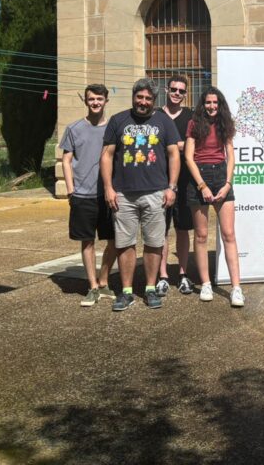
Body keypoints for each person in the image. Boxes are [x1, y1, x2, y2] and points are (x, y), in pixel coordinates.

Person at [100, 78, 181, 312]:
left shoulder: (164, 121)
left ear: (154, 100)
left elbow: (174, 154)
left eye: (148, 98)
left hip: (156, 193)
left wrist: (172, 187)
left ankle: (150, 288)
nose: (143, 102)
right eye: (139, 97)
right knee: (125, 244)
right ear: (133, 96)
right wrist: (108, 188)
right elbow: (107, 155)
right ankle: (126, 292)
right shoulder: (118, 120)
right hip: (123, 195)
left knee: (154, 243)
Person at [184, 86, 244, 307]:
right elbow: (188, 157)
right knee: (201, 235)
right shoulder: (194, 124)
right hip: (198, 177)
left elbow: (231, 156)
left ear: (220, 105)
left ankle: (236, 288)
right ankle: (206, 284)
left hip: (220, 175)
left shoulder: (225, 123)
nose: (211, 106)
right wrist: (202, 186)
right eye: (208, 102)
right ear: (203, 104)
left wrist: (227, 184)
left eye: (215, 103)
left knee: (229, 234)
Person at [60, 84, 119, 306]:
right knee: (87, 242)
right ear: (86, 101)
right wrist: (70, 190)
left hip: (108, 195)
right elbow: (66, 160)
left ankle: (104, 279)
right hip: (83, 196)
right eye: (91, 99)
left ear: (106, 101)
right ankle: (92, 286)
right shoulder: (74, 129)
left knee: (115, 240)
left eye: (99, 99)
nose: (95, 102)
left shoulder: (113, 129)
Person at [156, 75, 194, 296]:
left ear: (186, 94)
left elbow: (194, 145)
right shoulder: (155, 116)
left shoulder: (190, 116)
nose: (177, 93)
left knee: (183, 229)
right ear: (166, 90)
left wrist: (170, 144)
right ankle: (162, 276)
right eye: (173, 89)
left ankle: (182, 274)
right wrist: (180, 144)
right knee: (161, 230)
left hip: (186, 182)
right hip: (159, 182)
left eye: (181, 91)